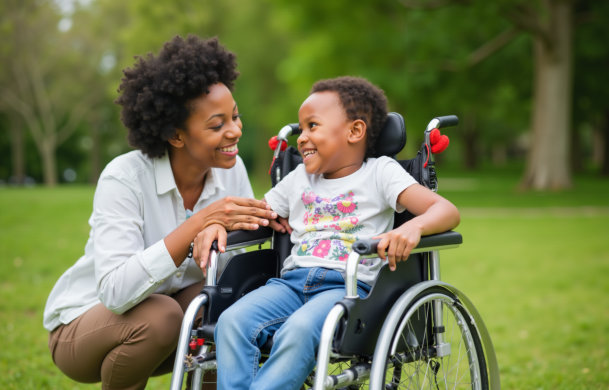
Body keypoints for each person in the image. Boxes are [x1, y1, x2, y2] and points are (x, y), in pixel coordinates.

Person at [193, 76, 461, 390]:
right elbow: (251, 214)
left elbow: (446, 211)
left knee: (299, 329)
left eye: (313, 126)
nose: (302, 138)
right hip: (289, 284)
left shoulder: (380, 172)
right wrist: (214, 224)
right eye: (301, 128)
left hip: (347, 289)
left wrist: (414, 227)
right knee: (232, 322)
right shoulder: (298, 179)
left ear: (354, 131)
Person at [43, 35, 278, 390]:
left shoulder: (232, 169)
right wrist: (199, 223)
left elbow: (235, 261)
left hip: (172, 316)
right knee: (161, 317)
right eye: (217, 125)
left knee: (230, 298)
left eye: (236, 116)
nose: (235, 131)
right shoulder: (124, 177)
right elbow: (116, 292)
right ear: (176, 135)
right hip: (85, 327)